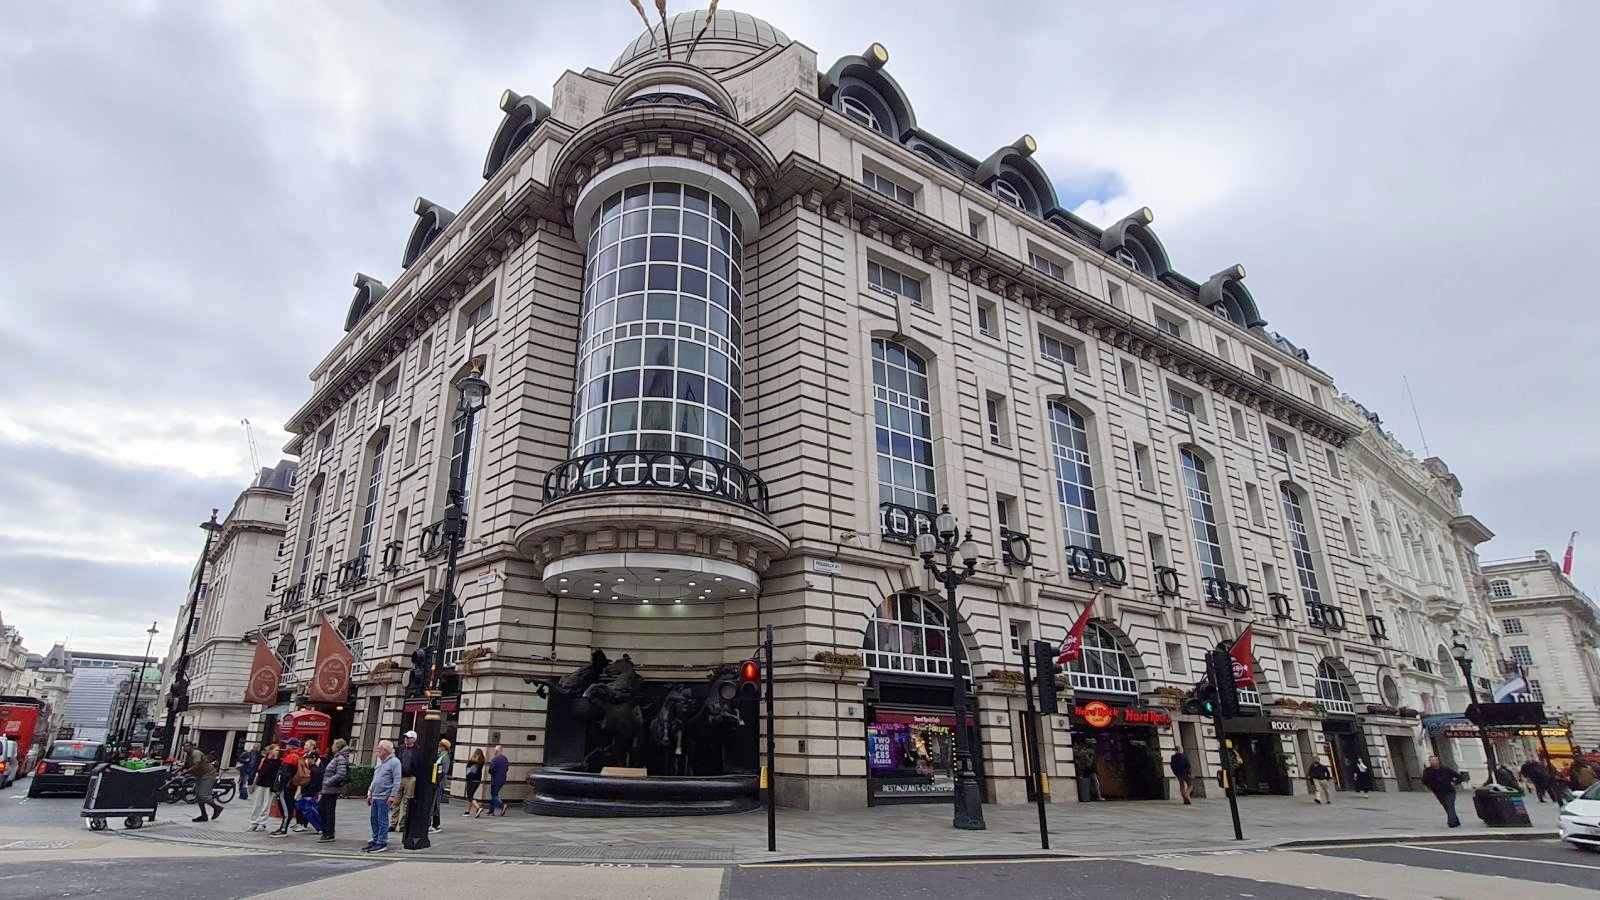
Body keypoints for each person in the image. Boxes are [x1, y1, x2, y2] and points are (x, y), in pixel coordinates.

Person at [366, 740, 402, 854]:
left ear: (386, 751)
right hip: (376, 795)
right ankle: (376, 838)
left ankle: (382, 842)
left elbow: (397, 780)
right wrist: (370, 792)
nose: (377, 751)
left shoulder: (395, 762)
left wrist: (392, 795)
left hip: (384, 796)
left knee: (382, 820)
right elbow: (375, 778)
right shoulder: (380, 762)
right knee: (374, 819)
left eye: (379, 749)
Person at [180, 742, 225, 822]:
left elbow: (196, 765)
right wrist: (177, 771)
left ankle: (217, 808)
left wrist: (186, 772)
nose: (186, 748)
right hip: (200, 775)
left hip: (208, 774)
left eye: (187, 746)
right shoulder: (188, 756)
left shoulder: (196, 753)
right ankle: (204, 815)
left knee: (203, 795)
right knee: (198, 795)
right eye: (184, 747)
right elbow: (185, 765)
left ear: (191, 747)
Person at [318, 739, 351, 843]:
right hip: (328, 789)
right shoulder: (337, 758)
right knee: (323, 809)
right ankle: (326, 831)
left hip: (331, 789)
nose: (332, 747)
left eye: (333, 745)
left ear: (337, 747)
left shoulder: (340, 758)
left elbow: (341, 774)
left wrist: (328, 782)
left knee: (327, 811)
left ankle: (329, 833)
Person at [1421, 755, 1467, 828]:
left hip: (1449, 791)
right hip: (1438, 792)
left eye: (1434, 760)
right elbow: (1424, 780)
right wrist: (1431, 787)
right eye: (1431, 760)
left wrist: (1454, 783)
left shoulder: (1445, 769)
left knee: (1450, 805)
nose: (1433, 762)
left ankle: (1452, 822)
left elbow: (1459, 776)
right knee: (1446, 806)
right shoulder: (1428, 771)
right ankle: (1455, 821)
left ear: (1438, 761)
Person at [271, 739, 304, 837]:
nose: (286, 746)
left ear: (292, 746)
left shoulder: (290, 758)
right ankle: (283, 827)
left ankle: (283, 829)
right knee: (288, 807)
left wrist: (279, 789)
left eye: (288, 744)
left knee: (286, 809)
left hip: (286, 787)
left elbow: (284, 775)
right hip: (292, 786)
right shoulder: (299, 756)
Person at [389, 731, 420, 833]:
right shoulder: (400, 748)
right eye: (406, 737)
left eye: (409, 738)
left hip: (410, 777)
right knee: (396, 801)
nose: (406, 739)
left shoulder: (418, 750)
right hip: (399, 777)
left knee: (407, 802)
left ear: (414, 739)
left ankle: (403, 824)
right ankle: (393, 823)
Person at [247, 744, 281, 832]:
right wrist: (253, 784)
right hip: (260, 784)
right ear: (270, 751)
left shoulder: (278, 762)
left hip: (270, 786)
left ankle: (262, 823)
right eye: (276, 750)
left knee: (266, 805)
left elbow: (278, 776)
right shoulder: (263, 760)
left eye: (278, 750)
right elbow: (257, 772)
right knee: (257, 804)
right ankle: (253, 822)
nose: (277, 752)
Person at [430, 738, 452, 833]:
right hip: (435, 781)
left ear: (444, 747)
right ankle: (434, 823)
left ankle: (436, 824)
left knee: (436, 803)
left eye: (440, 745)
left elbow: (444, 771)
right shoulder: (439, 755)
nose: (438, 747)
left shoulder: (445, 757)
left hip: (439, 783)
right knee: (433, 803)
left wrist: (437, 779)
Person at [462, 748, 486, 817]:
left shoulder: (471, 761)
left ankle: (478, 808)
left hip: (471, 780)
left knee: (470, 797)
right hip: (478, 781)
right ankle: (467, 811)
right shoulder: (481, 762)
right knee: (471, 795)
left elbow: (468, 771)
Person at [488, 745, 510, 816]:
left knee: (494, 795)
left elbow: (490, 770)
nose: (494, 751)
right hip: (503, 779)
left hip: (495, 779)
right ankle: (491, 811)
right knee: (495, 794)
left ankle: (502, 805)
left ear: (497, 751)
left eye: (494, 750)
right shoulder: (505, 759)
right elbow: (507, 769)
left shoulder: (495, 759)